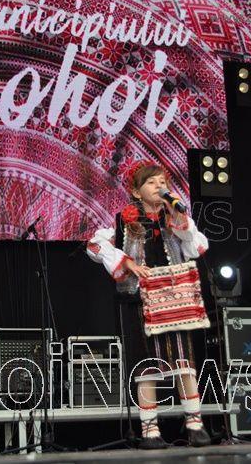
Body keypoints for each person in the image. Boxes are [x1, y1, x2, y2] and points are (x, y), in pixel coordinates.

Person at [86, 162, 211, 449]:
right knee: (147, 366)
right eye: (152, 183)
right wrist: (127, 262)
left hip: (175, 298)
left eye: (162, 182)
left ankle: (195, 426)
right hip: (141, 300)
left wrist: (177, 214)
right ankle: (150, 430)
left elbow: (194, 246)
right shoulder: (124, 219)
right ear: (136, 191)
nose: (159, 187)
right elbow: (95, 246)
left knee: (184, 362)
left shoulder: (175, 215)